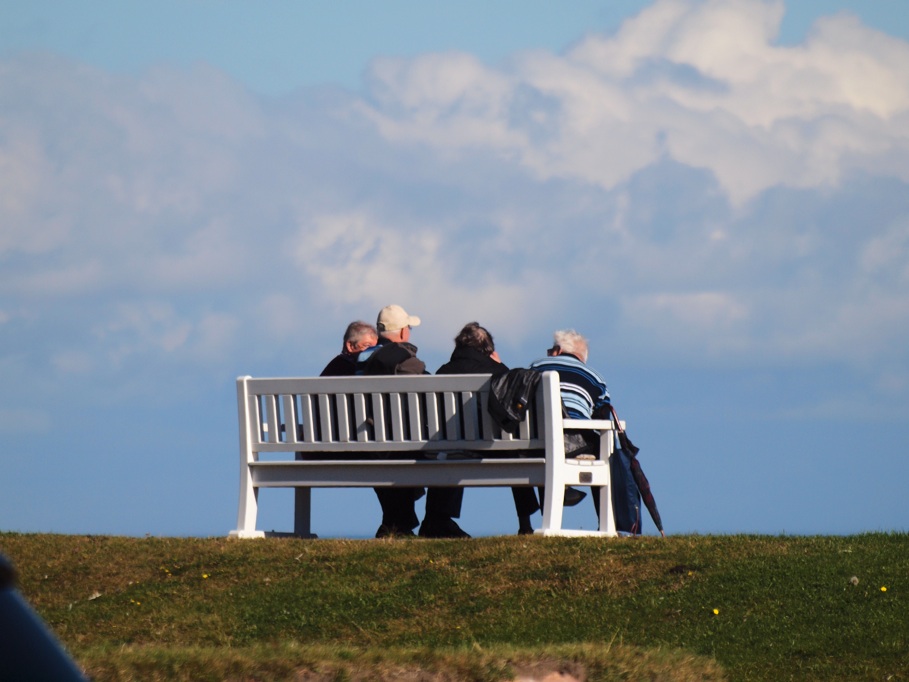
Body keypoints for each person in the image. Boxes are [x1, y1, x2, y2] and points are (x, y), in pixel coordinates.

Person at [358, 304, 469, 539]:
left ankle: (395, 523)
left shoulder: (360, 361)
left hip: (366, 443)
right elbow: (426, 397)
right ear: (400, 333)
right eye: (408, 327)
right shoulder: (404, 361)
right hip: (399, 445)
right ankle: (438, 520)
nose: (409, 331)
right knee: (453, 451)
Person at [436, 322, 542, 535]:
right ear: (488, 349)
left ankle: (436, 520)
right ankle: (525, 524)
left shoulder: (442, 372)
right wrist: (500, 365)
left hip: (451, 448)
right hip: (495, 448)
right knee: (517, 449)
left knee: (448, 453)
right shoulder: (500, 372)